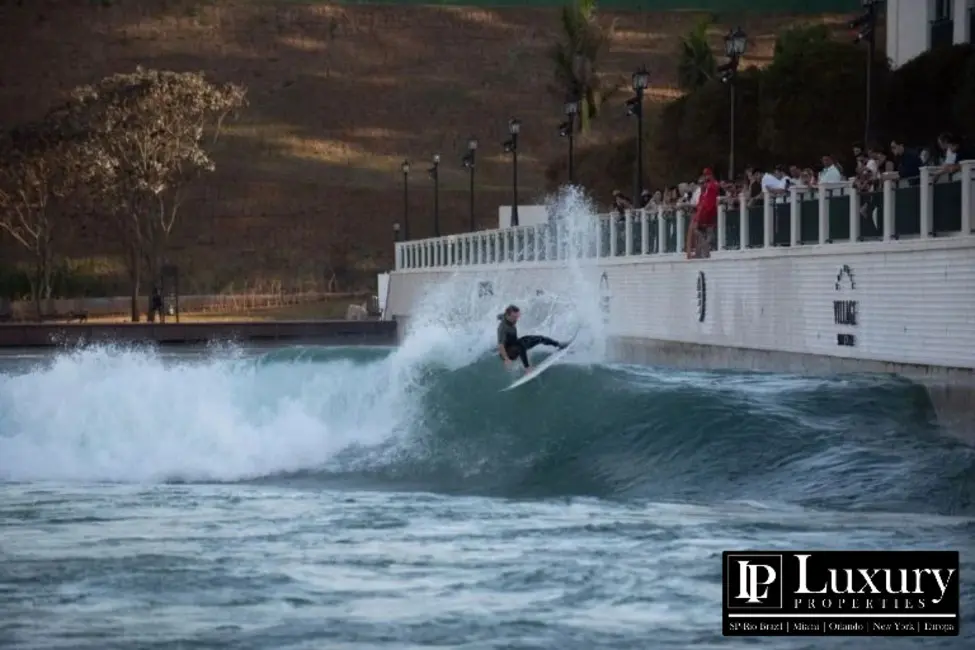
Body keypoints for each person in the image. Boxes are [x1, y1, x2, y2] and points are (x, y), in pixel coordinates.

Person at [497, 304, 566, 373]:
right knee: (520, 347)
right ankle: (528, 369)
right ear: (508, 316)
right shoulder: (502, 328)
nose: (516, 319)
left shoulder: (506, 317)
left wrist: (498, 316)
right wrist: (506, 358)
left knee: (539, 338)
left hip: (515, 343)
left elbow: (500, 316)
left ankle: (558, 344)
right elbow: (501, 346)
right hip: (508, 352)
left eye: (517, 316)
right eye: (514, 317)